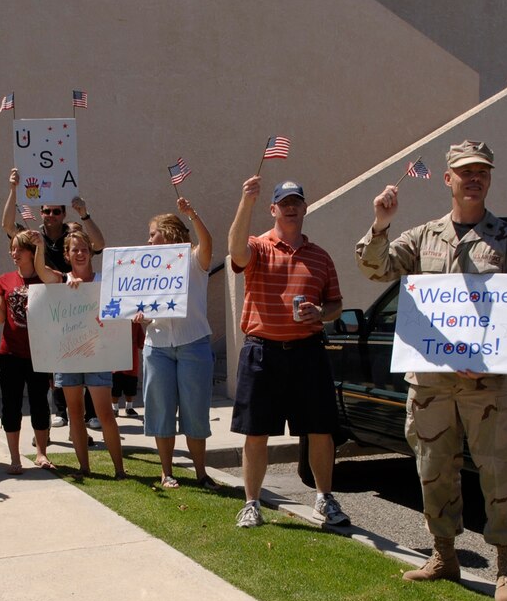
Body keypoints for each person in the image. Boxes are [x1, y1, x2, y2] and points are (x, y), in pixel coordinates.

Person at [358, 140, 507, 601]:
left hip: (486, 383)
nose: (474, 178)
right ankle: (444, 554)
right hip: (431, 382)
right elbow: (376, 268)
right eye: (465, 171)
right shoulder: (421, 237)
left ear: (489, 179)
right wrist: (380, 222)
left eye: (482, 172)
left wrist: (488, 357)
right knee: (434, 470)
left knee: (499, 472)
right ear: (448, 178)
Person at [227, 177, 348, 528]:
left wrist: (321, 313)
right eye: (284, 203)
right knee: (256, 432)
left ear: (305, 208)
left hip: (308, 352)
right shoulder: (259, 247)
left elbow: (336, 304)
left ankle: (324, 499)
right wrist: (246, 202)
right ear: (273, 209)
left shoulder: (320, 257)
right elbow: (236, 252)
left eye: (296, 202)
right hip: (262, 351)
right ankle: (252, 503)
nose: (291, 208)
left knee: (320, 430)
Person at [2, 169, 106, 429]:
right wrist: (13, 189)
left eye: (56, 211)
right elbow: (7, 226)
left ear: (63, 214)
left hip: (79, 300)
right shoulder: (33, 236)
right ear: (41, 213)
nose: (51, 215)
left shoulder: (73, 235)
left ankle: (91, 413)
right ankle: (60, 411)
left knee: (87, 352)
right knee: (57, 358)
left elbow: (99, 244)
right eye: (46, 211)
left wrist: (85, 214)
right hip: (49, 304)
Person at [135, 197, 218, 490]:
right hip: (157, 345)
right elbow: (141, 306)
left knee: (196, 411)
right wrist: (140, 317)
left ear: (168, 233)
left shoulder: (194, 260)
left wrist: (192, 214)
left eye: (152, 234)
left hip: (193, 343)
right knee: (161, 410)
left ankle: (201, 474)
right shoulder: (146, 270)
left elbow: (207, 243)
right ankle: (166, 472)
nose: (148, 240)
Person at [37, 230, 125, 479]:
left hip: (99, 355)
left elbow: (117, 311)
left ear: (91, 252)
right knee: (75, 414)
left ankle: (119, 469)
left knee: (104, 413)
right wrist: (39, 246)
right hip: (69, 356)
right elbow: (42, 272)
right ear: (66, 254)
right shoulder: (61, 280)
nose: (80, 254)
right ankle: (84, 468)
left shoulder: (103, 281)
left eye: (84, 249)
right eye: (74, 249)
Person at [0, 230, 58, 474]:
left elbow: (57, 283)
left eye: (19, 249)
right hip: (10, 353)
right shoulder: (4, 280)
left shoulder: (46, 278)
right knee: (11, 405)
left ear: (31, 252)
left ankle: (41, 453)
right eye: (12, 248)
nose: (14, 253)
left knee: (40, 403)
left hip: (39, 352)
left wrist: (41, 248)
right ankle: (15, 458)